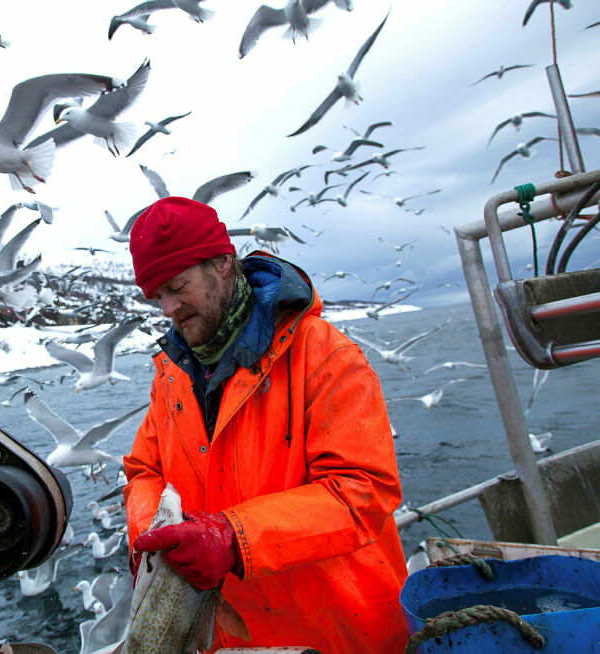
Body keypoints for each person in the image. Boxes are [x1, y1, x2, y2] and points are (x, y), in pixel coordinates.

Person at [122, 196, 409, 653]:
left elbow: (364, 491)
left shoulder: (324, 356)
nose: (168, 308)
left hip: (337, 637)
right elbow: (144, 472)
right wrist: (149, 538)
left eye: (177, 286)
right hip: (232, 640)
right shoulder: (171, 374)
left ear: (221, 263)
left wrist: (234, 539)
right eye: (157, 295)